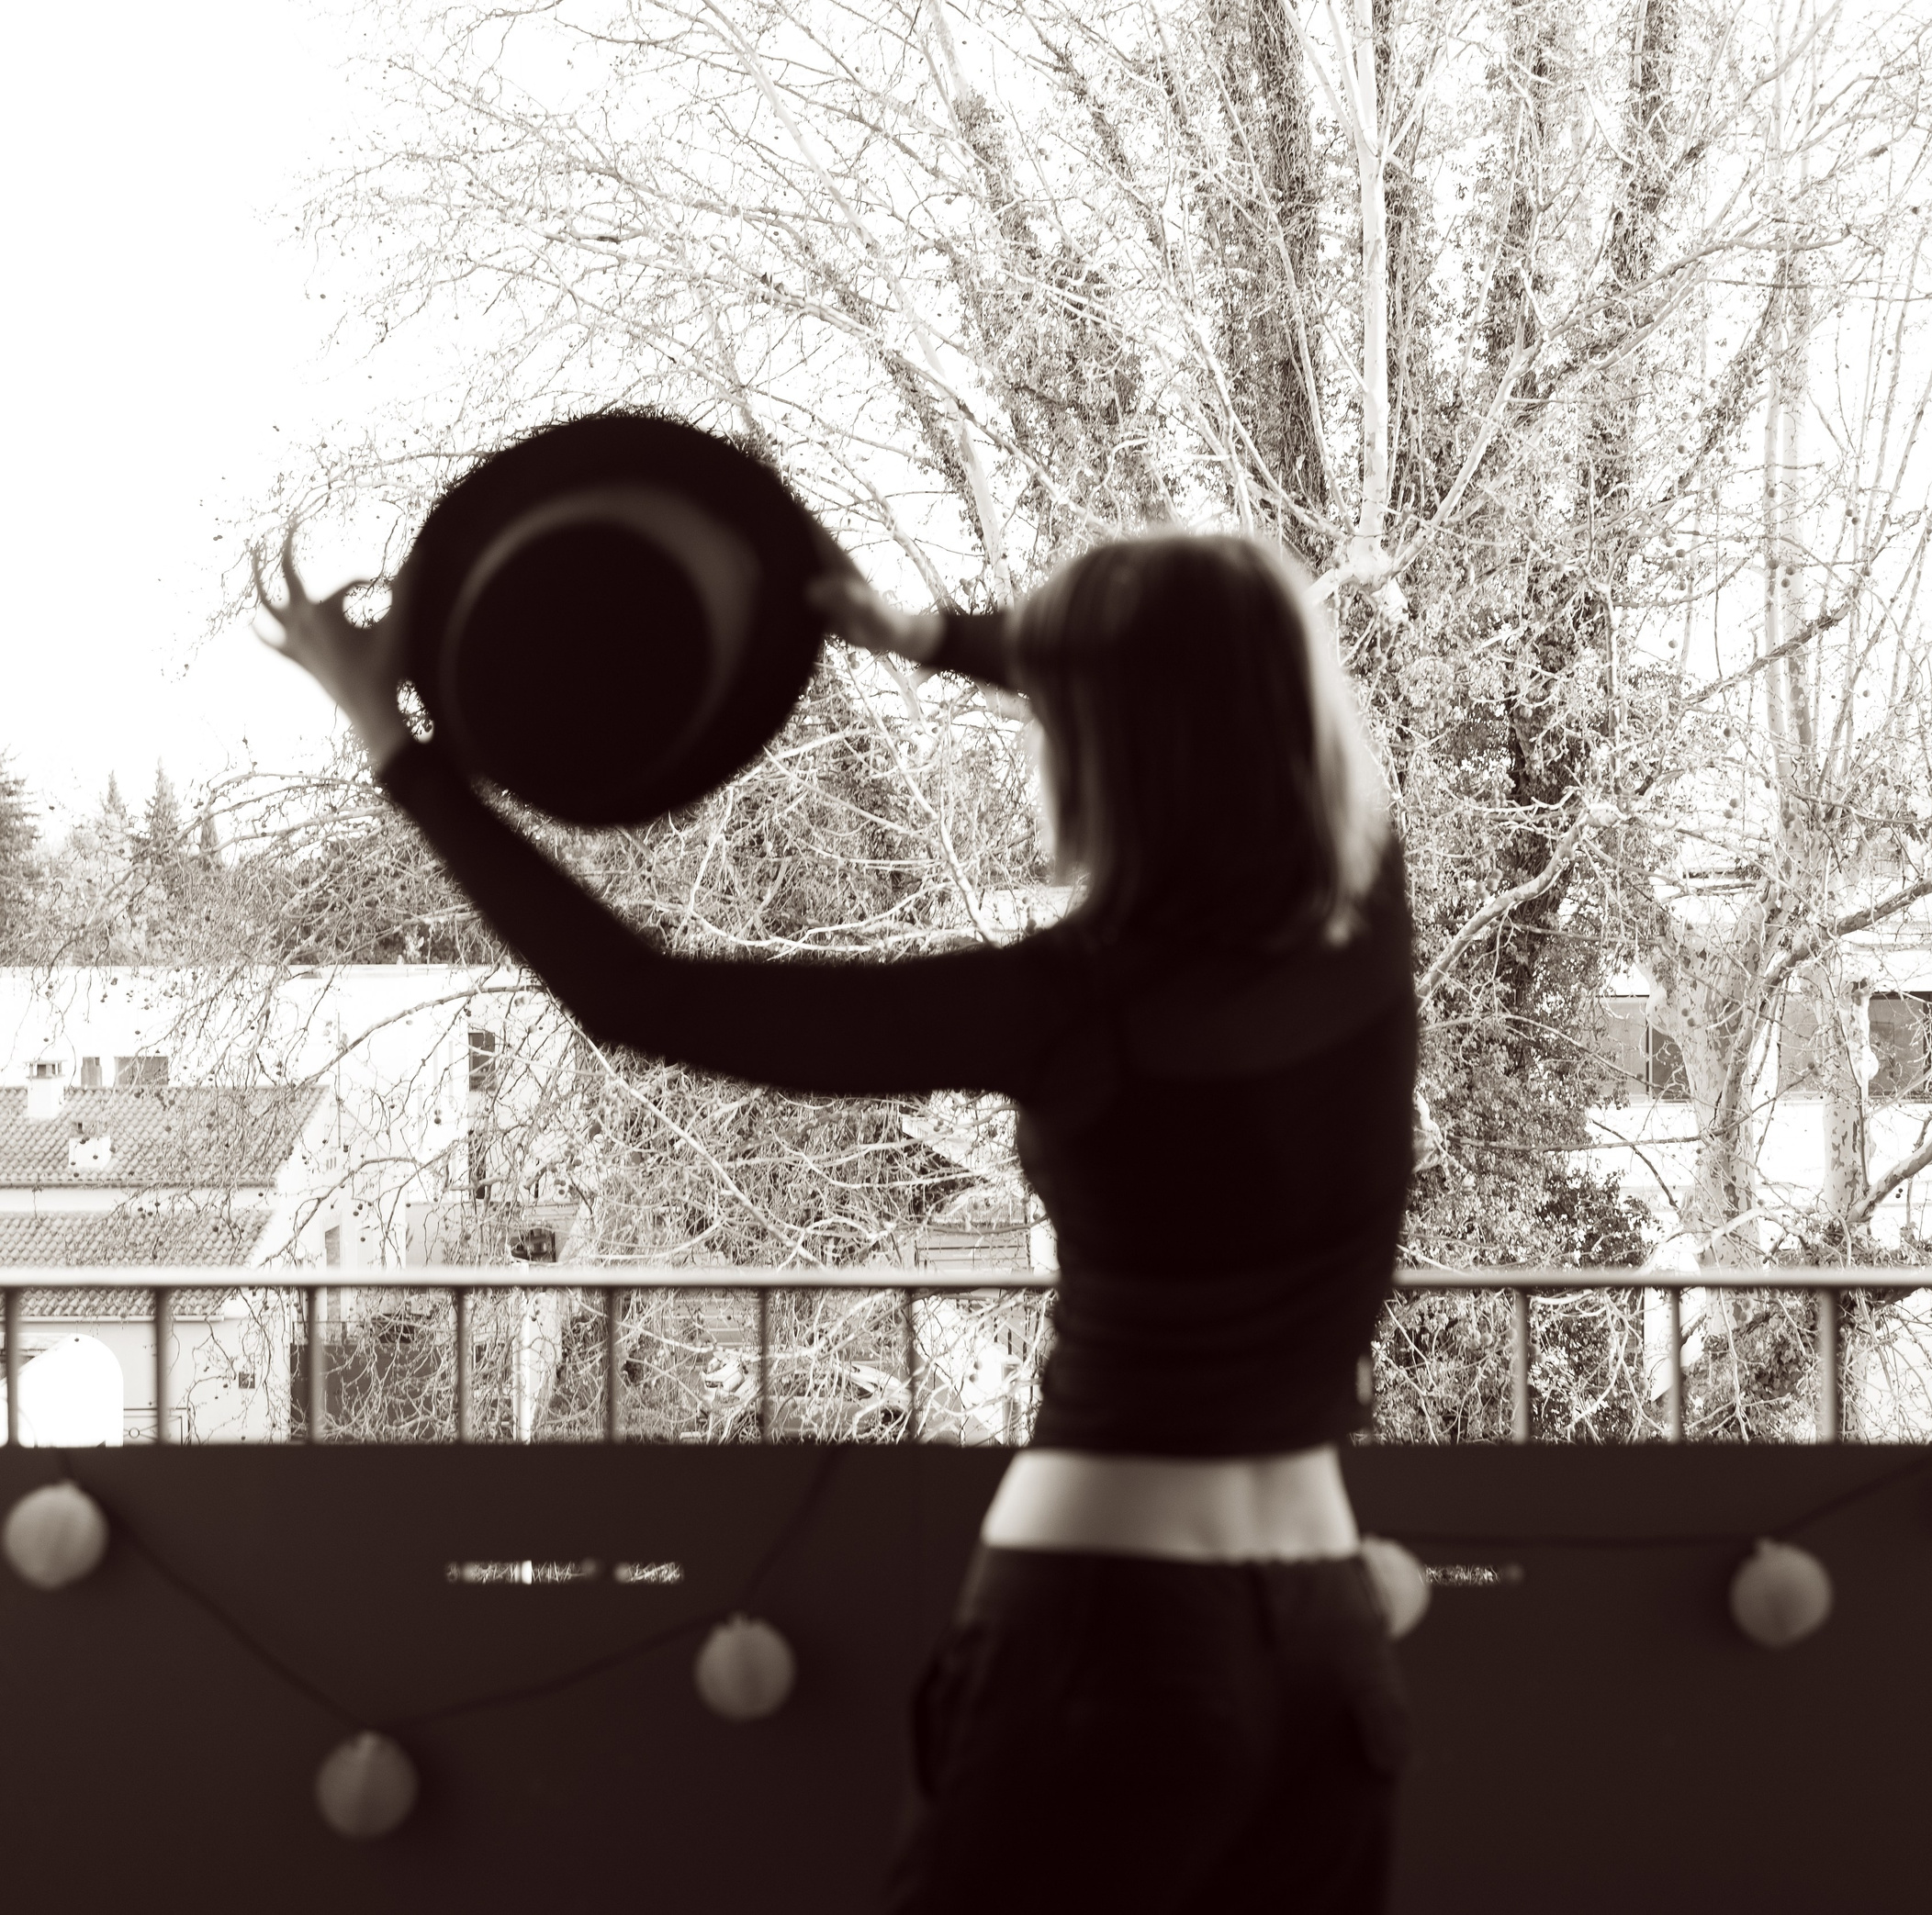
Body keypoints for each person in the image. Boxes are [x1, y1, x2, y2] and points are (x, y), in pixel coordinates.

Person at [257, 515, 1416, 1913]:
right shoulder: (1367, 930)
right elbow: (1208, 684)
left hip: (1110, 1633)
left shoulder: (1064, 1007)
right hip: (1327, 1639)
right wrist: (933, 639)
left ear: (1101, 739)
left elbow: (645, 996)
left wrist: (398, 748)